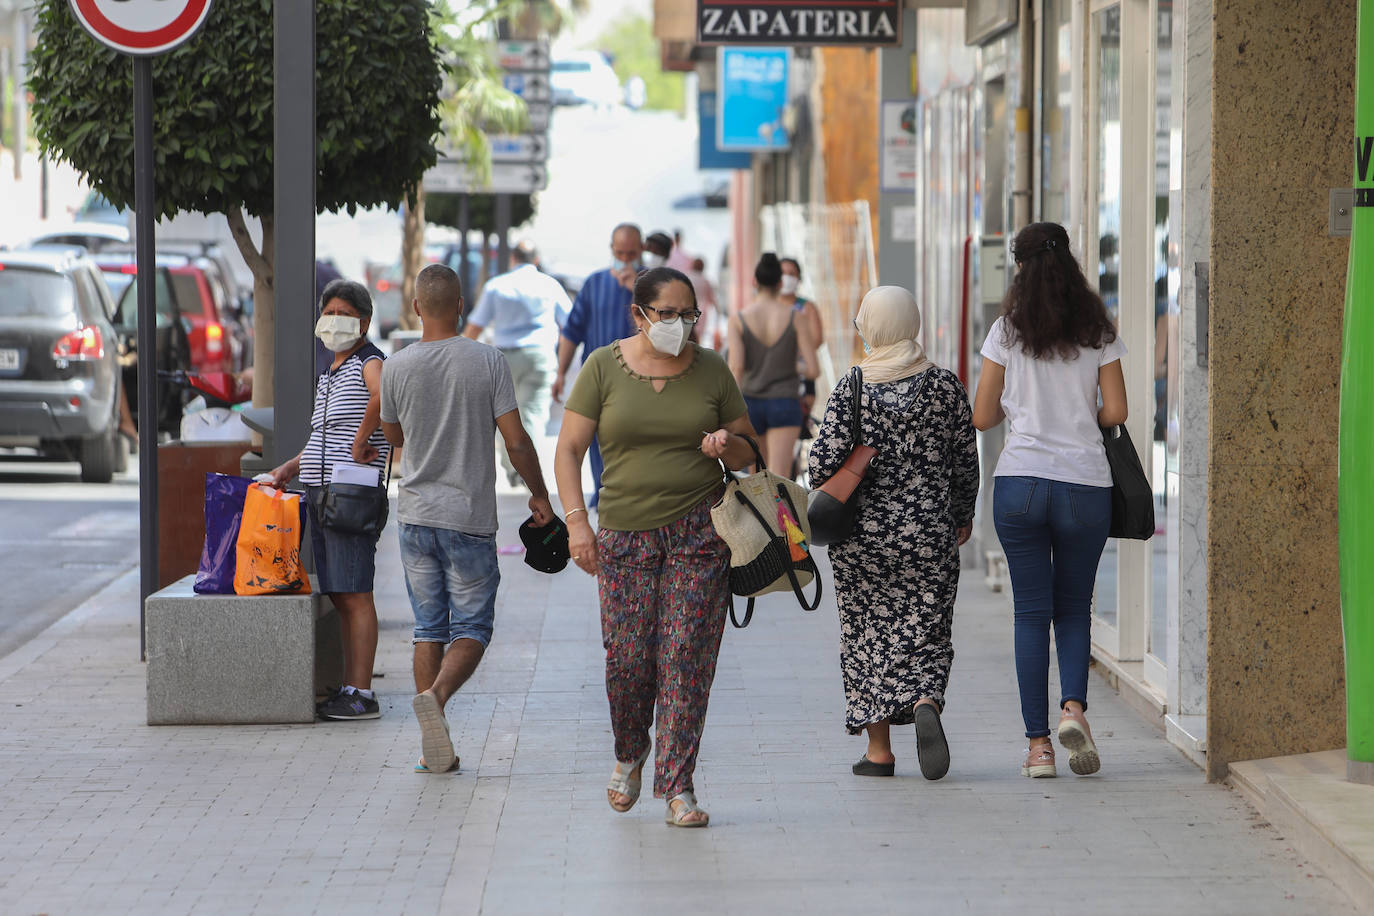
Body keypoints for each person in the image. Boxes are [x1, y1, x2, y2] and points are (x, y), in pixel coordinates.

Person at [554, 266, 758, 828]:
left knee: (686, 658)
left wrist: (728, 444)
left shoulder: (712, 369)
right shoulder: (602, 366)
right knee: (627, 660)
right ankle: (630, 750)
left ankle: (678, 785)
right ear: (639, 314)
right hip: (623, 534)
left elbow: (749, 452)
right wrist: (577, 524)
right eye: (667, 313)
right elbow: (569, 450)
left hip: (700, 532)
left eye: (688, 314)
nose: (679, 324)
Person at [380, 264, 554, 774]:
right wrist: (539, 495)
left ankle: (430, 746)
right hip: (468, 518)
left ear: (416, 308)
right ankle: (436, 698)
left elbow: (393, 437)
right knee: (473, 625)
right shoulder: (487, 361)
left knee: (428, 627)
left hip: (413, 515)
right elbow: (516, 439)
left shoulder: (397, 366)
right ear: (461, 306)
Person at [972, 221, 1128, 779]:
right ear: (1070, 264)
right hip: (1086, 485)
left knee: (1030, 614)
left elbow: (983, 416)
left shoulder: (1006, 332)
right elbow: (1117, 412)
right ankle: (1075, 710)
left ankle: (1039, 749)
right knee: (1073, 608)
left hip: (1022, 484)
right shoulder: (1097, 330)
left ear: (1020, 268)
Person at [808, 286, 979, 780]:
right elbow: (966, 463)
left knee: (866, 636)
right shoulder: (947, 386)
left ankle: (879, 751)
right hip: (929, 532)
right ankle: (925, 696)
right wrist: (961, 515)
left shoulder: (853, 386)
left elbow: (821, 464)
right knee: (927, 629)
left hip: (861, 538)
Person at [267, 278, 389, 721]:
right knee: (340, 592)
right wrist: (288, 468)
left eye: (345, 313)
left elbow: (383, 396)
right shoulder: (331, 372)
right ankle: (349, 686)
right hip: (322, 495)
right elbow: (321, 437)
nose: (335, 321)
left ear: (365, 321)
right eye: (329, 313)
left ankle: (362, 694)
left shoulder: (367, 362)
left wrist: (360, 441)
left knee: (355, 594)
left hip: (351, 495)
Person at [463, 240, 572, 488]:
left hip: (503, 359)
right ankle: (526, 470)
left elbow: (475, 326)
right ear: (535, 259)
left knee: (504, 415)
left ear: (513, 259)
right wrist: (563, 368)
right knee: (532, 414)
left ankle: (514, 470)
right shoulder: (550, 285)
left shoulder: (496, 285)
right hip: (540, 356)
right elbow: (570, 325)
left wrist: (457, 355)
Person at [553, 223, 643, 507]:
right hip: (600, 382)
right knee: (596, 441)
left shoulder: (653, 286)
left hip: (642, 382)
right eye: (620, 253)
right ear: (611, 250)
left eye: (631, 254)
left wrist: (637, 290)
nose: (625, 260)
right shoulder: (595, 284)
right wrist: (559, 373)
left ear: (641, 251)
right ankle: (605, 499)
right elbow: (572, 331)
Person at [728, 252, 819, 474]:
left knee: (757, 480)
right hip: (785, 402)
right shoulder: (796, 317)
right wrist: (790, 365)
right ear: (780, 283)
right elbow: (813, 370)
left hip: (750, 404)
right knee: (781, 478)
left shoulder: (738, 320)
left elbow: (736, 368)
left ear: (754, 282)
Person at [780, 257, 826, 424]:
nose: (786, 277)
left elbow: (817, 338)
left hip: (802, 375)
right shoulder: (766, 306)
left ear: (799, 278)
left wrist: (796, 350)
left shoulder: (807, 307)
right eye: (783, 272)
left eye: (791, 273)